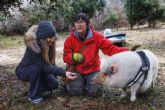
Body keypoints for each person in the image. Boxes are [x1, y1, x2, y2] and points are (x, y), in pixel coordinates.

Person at [63, 13, 129, 96]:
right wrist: (73, 56)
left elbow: (110, 49)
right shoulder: (70, 39)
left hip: (93, 69)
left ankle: (87, 83)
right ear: (74, 24)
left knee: (95, 93)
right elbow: (65, 57)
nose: (79, 25)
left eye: (82, 22)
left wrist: (127, 51)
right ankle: (79, 83)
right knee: (74, 92)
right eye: (76, 22)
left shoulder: (97, 37)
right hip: (77, 69)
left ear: (87, 24)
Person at [15, 21, 77, 104]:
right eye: (48, 37)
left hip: (40, 69)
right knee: (35, 68)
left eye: (52, 36)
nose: (51, 39)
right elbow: (45, 66)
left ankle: (36, 88)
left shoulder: (50, 43)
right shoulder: (33, 47)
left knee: (53, 84)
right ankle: (33, 96)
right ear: (42, 38)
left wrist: (54, 78)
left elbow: (51, 63)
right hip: (24, 71)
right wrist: (64, 73)